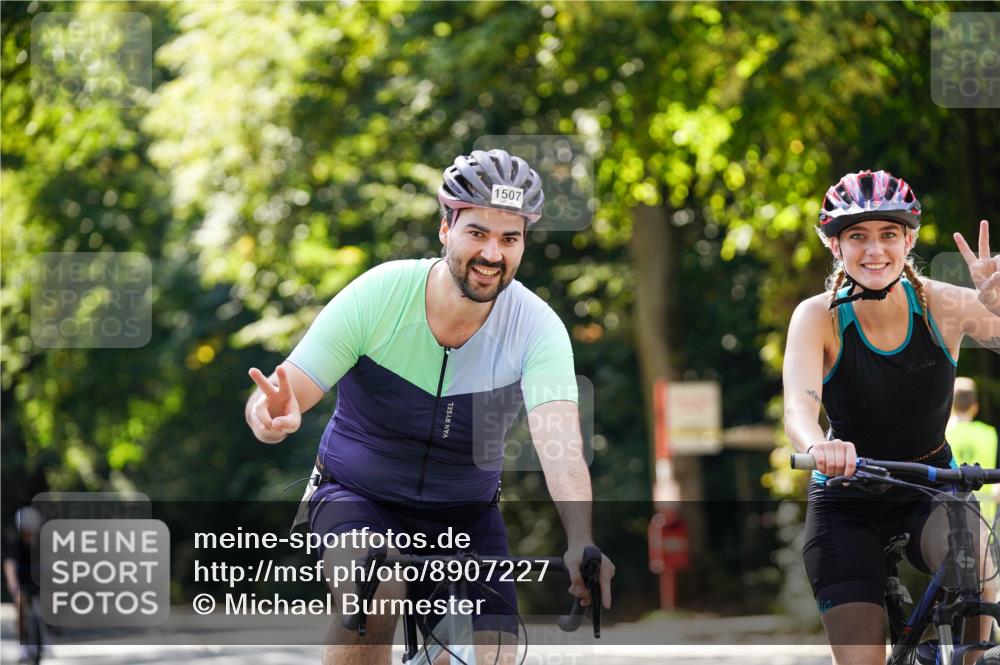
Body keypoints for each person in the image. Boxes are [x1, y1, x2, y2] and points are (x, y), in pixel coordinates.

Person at [245, 148, 615, 665]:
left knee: (497, 653)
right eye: (478, 233)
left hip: (465, 514)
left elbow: (560, 446)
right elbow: (287, 390)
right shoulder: (380, 294)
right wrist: (269, 416)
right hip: (356, 496)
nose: (493, 253)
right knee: (379, 591)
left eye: (510, 239)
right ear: (445, 228)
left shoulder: (536, 327)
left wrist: (581, 538)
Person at [782, 169, 1000, 665]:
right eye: (857, 236)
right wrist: (819, 447)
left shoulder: (943, 305)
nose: (874, 250)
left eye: (888, 234)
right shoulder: (817, 316)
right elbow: (799, 405)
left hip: (931, 485)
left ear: (909, 240)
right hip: (847, 497)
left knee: (975, 572)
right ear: (835, 246)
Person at [948, 377, 1000, 524]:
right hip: (983, 519)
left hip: (948, 517)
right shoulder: (989, 433)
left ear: (950, 404)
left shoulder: (940, 434)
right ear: (975, 407)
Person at [2, 507, 47, 663]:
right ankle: (22, 646)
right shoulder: (13, 540)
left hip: (38, 579)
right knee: (20, 606)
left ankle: (45, 638)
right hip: (21, 580)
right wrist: (13, 584)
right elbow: (9, 565)